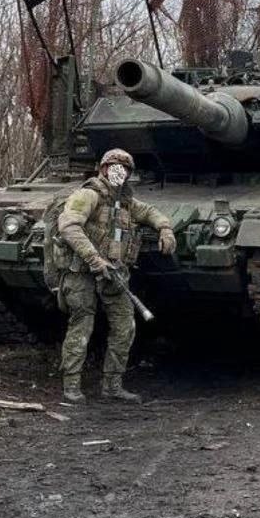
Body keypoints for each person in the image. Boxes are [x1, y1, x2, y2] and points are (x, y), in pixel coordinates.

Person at [49, 148, 176, 404]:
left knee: (125, 326)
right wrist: (94, 258)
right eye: (114, 167)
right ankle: (71, 386)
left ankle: (113, 385)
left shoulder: (126, 201)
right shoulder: (88, 194)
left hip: (114, 274)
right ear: (103, 169)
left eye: (125, 169)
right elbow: (69, 226)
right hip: (82, 271)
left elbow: (150, 211)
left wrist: (165, 228)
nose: (120, 172)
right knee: (81, 325)